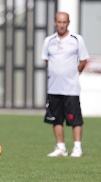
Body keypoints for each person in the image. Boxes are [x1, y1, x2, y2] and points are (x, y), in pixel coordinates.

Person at [41, 12, 89, 158]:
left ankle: (77, 148)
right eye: (59, 22)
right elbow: (47, 61)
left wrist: (73, 74)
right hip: (54, 88)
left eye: (64, 22)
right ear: (55, 22)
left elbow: (83, 60)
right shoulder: (48, 41)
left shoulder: (76, 39)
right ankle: (61, 148)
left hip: (71, 89)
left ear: (68, 23)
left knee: (75, 119)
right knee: (56, 119)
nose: (62, 25)